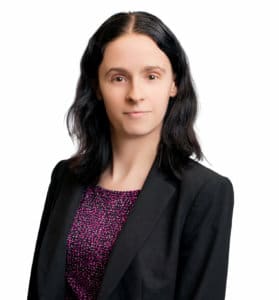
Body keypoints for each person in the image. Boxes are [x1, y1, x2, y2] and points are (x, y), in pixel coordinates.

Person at [27, 11, 234, 300]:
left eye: (151, 76)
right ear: (97, 87)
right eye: (118, 78)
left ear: (174, 83)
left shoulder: (205, 192)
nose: (135, 94)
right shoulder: (65, 177)